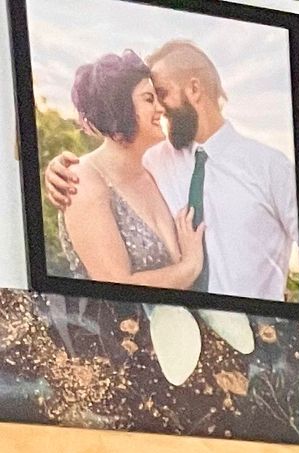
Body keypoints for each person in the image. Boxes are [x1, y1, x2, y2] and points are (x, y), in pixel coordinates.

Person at [43, 38, 299, 303]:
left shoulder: (271, 168)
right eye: (150, 97)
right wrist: (57, 171)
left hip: (257, 335)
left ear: (194, 89)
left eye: (161, 93)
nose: (160, 108)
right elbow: (107, 160)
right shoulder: (154, 160)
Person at [53, 52, 205, 290]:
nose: (161, 108)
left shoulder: (157, 169)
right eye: (148, 99)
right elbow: (117, 285)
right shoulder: (83, 180)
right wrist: (190, 267)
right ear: (119, 107)